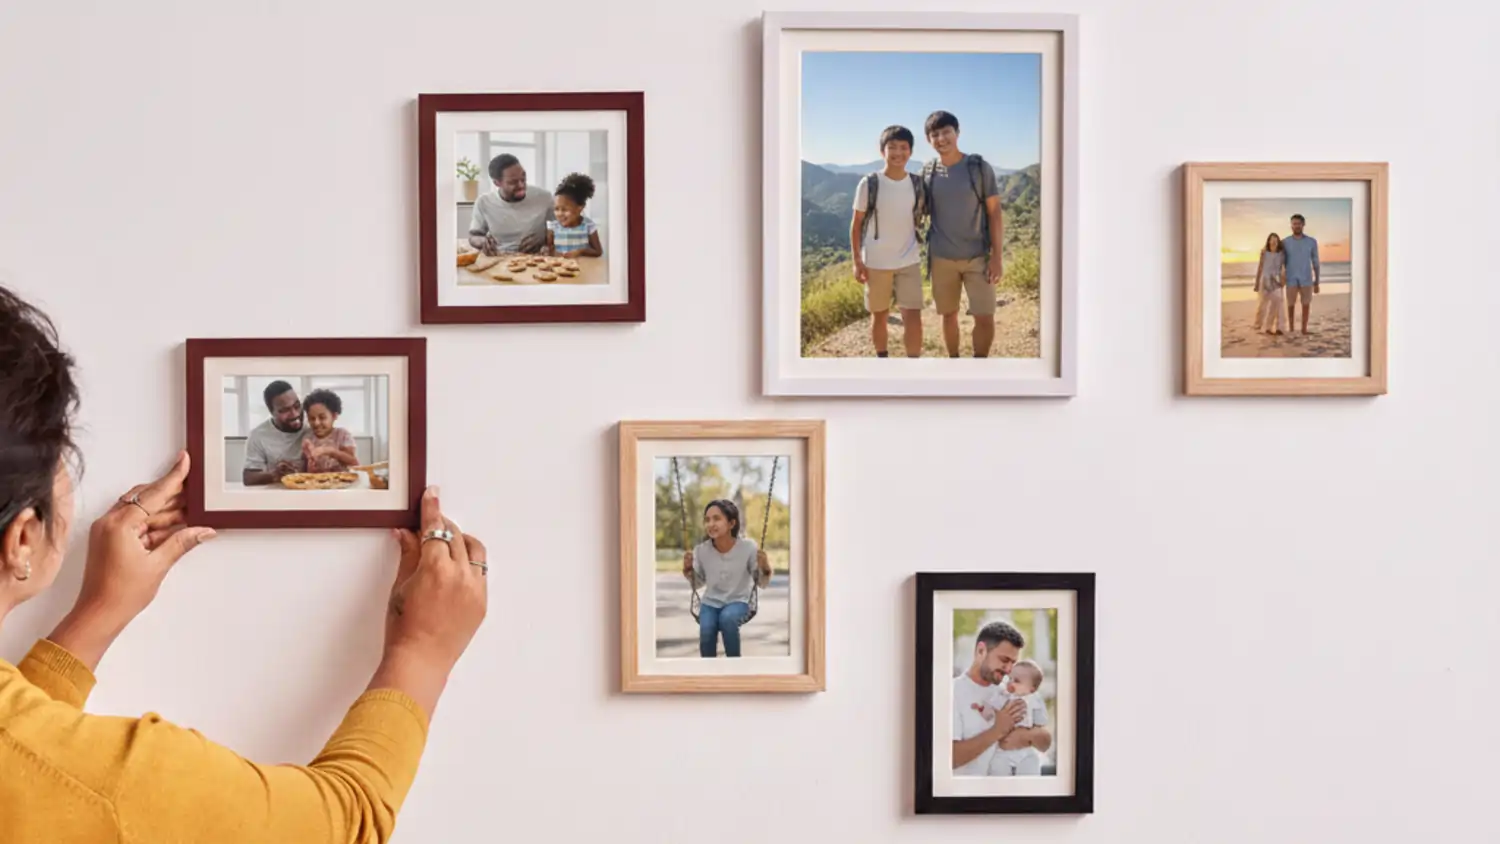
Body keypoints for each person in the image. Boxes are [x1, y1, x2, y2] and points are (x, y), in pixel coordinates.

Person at [0, 285, 488, 842]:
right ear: (22, 538)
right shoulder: (118, 782)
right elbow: (343, 822)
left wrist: (97, 614)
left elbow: (32, 765)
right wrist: (421, 652)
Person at [921, 110, 1005, 358]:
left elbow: (995, 213)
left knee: (985, 316)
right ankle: (954, 364)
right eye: (934, 134)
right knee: (948, 315)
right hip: (941, 257)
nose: (941, 138)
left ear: (957, 133)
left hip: (977, 257)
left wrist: (997, 257)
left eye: (946, 132)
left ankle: (980, 366)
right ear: (929, 140)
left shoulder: (978, 167)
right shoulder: (928, 172)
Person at [851, 125, 926, 358]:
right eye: (892, 147)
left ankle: (913, 365)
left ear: (910, 151)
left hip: (909, 260)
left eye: (903, 148)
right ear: (882, 150)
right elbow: (856, 224)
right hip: (876, 261)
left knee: (913, 316)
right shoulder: (869, 183)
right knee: (879, 315)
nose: (897, 153)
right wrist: (857, 261)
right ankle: (883, 361)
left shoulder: (917, 183)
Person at [951, 620, 1051, 775]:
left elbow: (1045, 743)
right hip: (969, 796)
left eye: (1013, 662)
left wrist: (1026, 735)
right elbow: (950, 758)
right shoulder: (952, 691)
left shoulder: (1012, 689)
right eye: (1004, 660)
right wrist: (998, 730)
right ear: (981, 651)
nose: (1009, 669)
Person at [680, 499, 772, 658]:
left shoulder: (748, 547)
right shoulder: (701, 550)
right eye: (707, 520)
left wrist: (765, 566)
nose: (710, 524)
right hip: (710, 602)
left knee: (727, 619)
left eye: (717, 518)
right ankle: (708, 671)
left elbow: (761, 582)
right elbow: (699, 582)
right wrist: (688, 569)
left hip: (739, 601)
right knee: (707, 629)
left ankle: (734, 668)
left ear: (731, 523)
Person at [468, 153, 554, 256]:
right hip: (499, 258)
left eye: (523, 178)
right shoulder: (483, 202)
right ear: (497, 183)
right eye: (513, 182)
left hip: (536, 258)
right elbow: (474, 236)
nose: (521, 185)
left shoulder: (544, 197)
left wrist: (543, 239)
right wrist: (483, 242)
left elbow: (563, 228)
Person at [977, 659, 1049, 776]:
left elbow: (1041, 722)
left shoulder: (1034, 699)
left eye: (1017, 681)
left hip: (1026, 750)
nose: (1010, 683)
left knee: (1031, 766)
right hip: (1003, 751)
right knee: (997, 768)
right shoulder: (1004, 696)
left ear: (1032, 689)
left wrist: (1032, 730)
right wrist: (983, 710)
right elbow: (990, 713)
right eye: (1010, 678)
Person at [242, 380, 310, 485]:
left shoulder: (313, 426)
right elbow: (249, 478)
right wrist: (275, 474)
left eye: (297, 406)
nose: (295, 414)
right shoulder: (258, 435)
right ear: (272, 412)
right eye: (285, 410)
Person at [300, 388, 360, 473]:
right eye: (312, 418)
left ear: (334, 416)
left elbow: (354, 463)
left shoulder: (343, 435)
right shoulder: (308, 437)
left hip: (342, 483)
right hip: (317, 483)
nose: (316, 423)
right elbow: (305, 468)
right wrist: (310, 467)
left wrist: (330, 451)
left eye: (322, 417)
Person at [546, 172, 603, 258]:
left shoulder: (588, 226)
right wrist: (546, 250)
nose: (560, 214)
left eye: (564, 210)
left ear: (580, 208)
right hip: (560, 268)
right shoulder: (553, 227)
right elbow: (549, 249)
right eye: (556, 209)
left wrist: (581, 251)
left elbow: (598, 252)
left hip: (584, 268)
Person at [1283, 213, 1321, 336]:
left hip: (1306, 278)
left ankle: (1304, 329)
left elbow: (1315, 262)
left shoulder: (1311, 242)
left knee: (1306, 305)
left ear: (1303, 224)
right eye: (1294, 224)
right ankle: (1292, 328)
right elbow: (1279, 261)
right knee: (1290, 305)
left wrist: (1317, 282)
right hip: (1290, 279)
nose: (1296, 226)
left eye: (1299, 223)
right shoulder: (1285, 242)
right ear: (1291, 225)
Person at [1253, 232, 1288, 335]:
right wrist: (1256, 283)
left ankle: (1277, 327)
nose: (1273, 241)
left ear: (1278, 241)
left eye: (1275, 239)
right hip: (1265, 279)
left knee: (1277, 303)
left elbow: (1284, 268)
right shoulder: (1264, 253)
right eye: (1271, 239)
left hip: (1276, 280)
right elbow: (1260, 268)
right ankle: (1258, 325)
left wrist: (1283, 281)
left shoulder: (1282, 254)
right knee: (1262, 304)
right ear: (1268, 241)